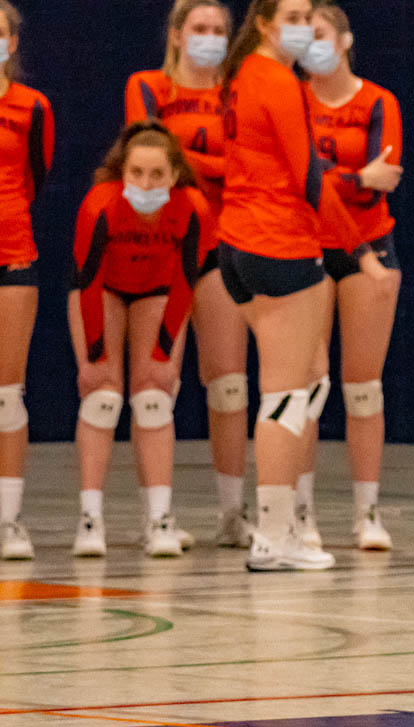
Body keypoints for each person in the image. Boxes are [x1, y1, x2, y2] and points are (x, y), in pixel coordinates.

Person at [219, 0, 382, 571]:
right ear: (264, 23)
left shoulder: (242, 76)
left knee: (309, 382)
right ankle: (272, 537)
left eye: (307, 14)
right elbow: (307, 176)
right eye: (290, 15)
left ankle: (286, 526)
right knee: (286, 394)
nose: (301, 25)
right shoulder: (276, 82)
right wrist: (361, 252)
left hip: (236, 245)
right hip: (277, 245)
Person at [126, 0, 253, 549]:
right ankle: (158, 520)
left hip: (224, 246)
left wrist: (193, 166)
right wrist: (214, 166)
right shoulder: (149, 86)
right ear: (177, 34)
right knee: (157, 387)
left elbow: (251, 163)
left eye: (220, 29)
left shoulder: (240, 92)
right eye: (200, 28)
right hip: (165, 248)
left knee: (228, 386)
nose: (211, 37)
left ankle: (232, 515)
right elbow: (148, 153)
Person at [70, 121, 214, 558]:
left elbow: (186, 283)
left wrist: (162, 353)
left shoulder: (193, 209)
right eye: (136, 173)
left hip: (159, 291)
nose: (145, 183)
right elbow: (88, 282)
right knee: (102, 396)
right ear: (122, 172)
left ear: (174, 175)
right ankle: (90, 518)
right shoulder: (100, 206)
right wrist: (94, 355)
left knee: (154, 398)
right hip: (104, 291)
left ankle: (158, 518)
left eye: (156, 174)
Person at [297, 1, 402, 551]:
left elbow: (385, 178)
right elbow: (296, 180)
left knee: (363, 390)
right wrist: (355, 175)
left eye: (318, 33)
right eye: (301, 33)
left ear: (343, 39)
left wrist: (343, 179)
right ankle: (302, 513)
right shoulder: (290, 100)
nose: (310, 43)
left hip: (371, 247)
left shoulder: (378, 100)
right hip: (306, 249)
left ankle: (367, 514)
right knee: (310, 387)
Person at [0, 0, 52, 560]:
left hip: (14, 257)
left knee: (6, 396)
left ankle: (8, 521)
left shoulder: (32, 106)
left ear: (13, 42)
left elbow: (35, 175)